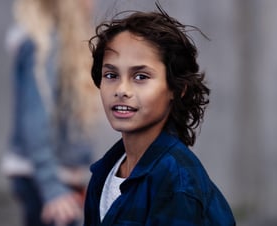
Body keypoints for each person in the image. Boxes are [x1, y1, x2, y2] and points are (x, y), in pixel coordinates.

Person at [83, 3, 236, 226]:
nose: (121, 90)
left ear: (176, 89)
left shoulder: (177, 181)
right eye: (111, 75)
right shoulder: (105, 171)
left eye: (141, 76)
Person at [1, 0, 99, 225]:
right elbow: (35, 122)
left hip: (54, 174)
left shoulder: (56, 42)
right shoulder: (43, 44)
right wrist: (52, 187)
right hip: (46, 175)